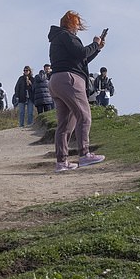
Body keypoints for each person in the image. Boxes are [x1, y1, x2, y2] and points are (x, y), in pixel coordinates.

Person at [48, 10, 106, 172]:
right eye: (77, 24)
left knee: (65, 124)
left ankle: (61, 162)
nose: (78, 28)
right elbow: (81, 53)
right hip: (70, 80)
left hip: (56, 81)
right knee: (84, 115)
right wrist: (95, 43)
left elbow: (81, 60)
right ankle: (84, 154)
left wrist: (97, 49)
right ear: (71, 24)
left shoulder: (57, 39)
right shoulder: (67, 36)